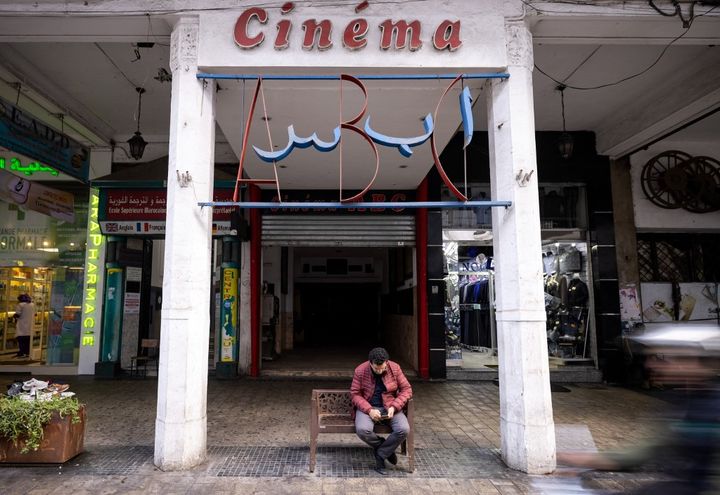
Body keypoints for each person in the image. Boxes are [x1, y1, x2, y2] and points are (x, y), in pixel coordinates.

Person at [557, 324, 720, 494]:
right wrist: (584, 460)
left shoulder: (713, 411)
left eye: (661, 358)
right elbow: (646, 451)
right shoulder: (684, 403)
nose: (651, 364)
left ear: (692, 362)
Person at [350, 347, 412, 475]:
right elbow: (355, 394)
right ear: (370, 363)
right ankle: (382, 445)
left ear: (387, 362)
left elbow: (407, 390)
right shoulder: (360, 370)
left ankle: (381, 453)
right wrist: (369, 410)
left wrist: (394, 406)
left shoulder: (395, 368)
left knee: (403, 429)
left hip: (390, 406)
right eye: (376, 369)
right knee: (362, 430)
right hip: (368, 407)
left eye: (382, 368)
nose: (380, 371)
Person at [13, 293, 35, 358]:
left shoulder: (20, 305)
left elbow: (18, 314)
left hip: (22, 325)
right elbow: (35, 314)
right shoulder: (32, 305)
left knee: (21, 339)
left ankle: (22, 352)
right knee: (28, 340)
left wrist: (14, 316)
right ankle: (27, 352)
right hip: (30, 325)